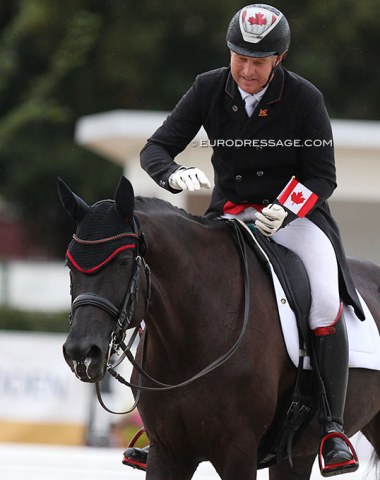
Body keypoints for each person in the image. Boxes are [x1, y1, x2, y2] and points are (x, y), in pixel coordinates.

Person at [123, 4, 363, 476]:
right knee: (174, 293)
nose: (247, 71)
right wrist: (174, 175)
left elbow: (322, 176)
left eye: (258, 62)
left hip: (295, 220)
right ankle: (161, 427)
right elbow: (155, 148)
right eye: (240, 58)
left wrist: (286, 207)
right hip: (227, 217)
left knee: (321, 303)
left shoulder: (305, 99)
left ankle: (332, 427)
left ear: (280, 58)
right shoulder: (209, 86)